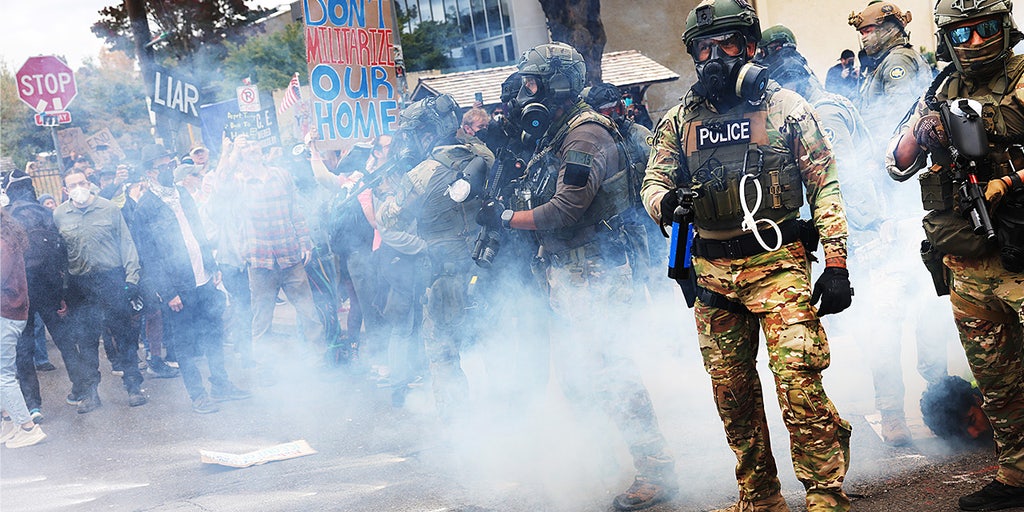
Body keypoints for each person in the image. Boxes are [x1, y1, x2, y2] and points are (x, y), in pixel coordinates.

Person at [643, 1, 854, 510]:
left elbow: (824, 185)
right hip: (712, 274)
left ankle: (825, 493)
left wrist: (837, 263)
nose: (716, 56)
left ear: (752, 47)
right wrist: (666, 204)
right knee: (733, 396)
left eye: (729, 44)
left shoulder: (788, 109)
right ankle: (759, 496)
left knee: (797, 381)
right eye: (704, 48)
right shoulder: (680, 121)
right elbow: (653, 182)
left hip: (778, 262)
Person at [477, 42, 677, 511]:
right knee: (577, 378)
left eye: (534, 83)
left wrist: (506, 218)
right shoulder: (560, 131)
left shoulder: (586, 136)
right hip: (570, 270)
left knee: (610, 373)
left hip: (595, 270)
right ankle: (609, 462)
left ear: (558, 84)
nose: (527, 93)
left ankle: (655, 468)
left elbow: (566, 208)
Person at [756, 23, 947, 447]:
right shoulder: (825, 102)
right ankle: (923, 398)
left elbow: (837, 179)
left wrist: (852, 234)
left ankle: (904, 412)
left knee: (885, 320)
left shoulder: (819, 112)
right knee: (889, 319)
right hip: (865, 225)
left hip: (860, 229)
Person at [886, 0, 1024, 509]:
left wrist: (1009, 180)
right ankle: (1016, 475)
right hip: (967, 259)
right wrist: (922, 131)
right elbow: (897, 162)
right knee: (998, 380)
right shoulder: (939, 89)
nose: (973, 42)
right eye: (961, 33)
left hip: (1020, 250)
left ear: (1004, 27)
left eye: (985, 29)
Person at [126, 149, 250, 414]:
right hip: (178, 289)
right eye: (164, 166)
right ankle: (198, 396)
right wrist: (168, 292)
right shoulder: (145, 208)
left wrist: (212, 265)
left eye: (172, 163)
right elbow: (149, 255)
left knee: (214, 334)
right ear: (150, 172)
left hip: (204, 279)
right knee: (184, 345)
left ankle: (221, 384)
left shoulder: (182, 194)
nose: (170, 168)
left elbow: (198, 231)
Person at [221, 135, 323, 369]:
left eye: (254, 144)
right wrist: (229, 153)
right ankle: (266, 369)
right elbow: (220, 185)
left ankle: (319, 360)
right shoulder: (237, 181)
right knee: (262, 321)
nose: (252, 148)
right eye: (246, 146)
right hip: (260, 262)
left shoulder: (281, 175)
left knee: (309, 313)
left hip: (290, 256)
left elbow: (294, 210)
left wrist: (305, 242)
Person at [53, 168, 147, 412]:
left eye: (82, 183)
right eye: (72, 185)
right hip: (80, 285)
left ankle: (134, 386)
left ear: (90, 183)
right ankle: (92, 393)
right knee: (85, 341)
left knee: (124, 336)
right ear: (66, 190)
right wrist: (62, 289)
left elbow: (127, 244)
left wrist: (132, 278)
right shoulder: (59, 215)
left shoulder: (109, 209)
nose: (78, 189)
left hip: (111, 279)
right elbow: (59, 254)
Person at [848, 1, 933, 139]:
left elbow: (898, 115)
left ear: (888, 29)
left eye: (868, 31)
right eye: (862, 33)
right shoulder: (884, 61)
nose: (864, 38)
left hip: (891, 149)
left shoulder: (898, 60)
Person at [0, 208, 46, 448]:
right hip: (9, 312)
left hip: (5, 313)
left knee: (3, 375)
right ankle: (9, 422)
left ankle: (27, 427)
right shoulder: (6, 237)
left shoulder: (3, 243)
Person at [920, 375, 993, 443]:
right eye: (963, 431)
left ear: (977, 400)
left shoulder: (998, 390)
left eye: (972, 421)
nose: (974, 434)